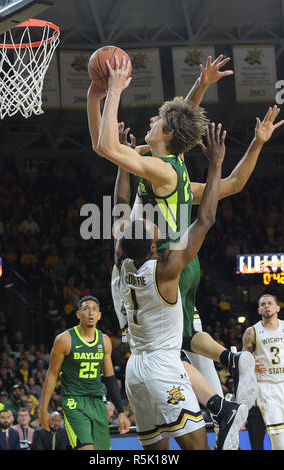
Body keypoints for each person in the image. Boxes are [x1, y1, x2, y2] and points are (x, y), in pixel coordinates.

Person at [87, 54, 283, 406]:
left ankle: (214, 403)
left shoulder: (160, 170)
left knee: (159, 348)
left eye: (156, 119)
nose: (150, 119)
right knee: (187, 336)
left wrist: (110, 91)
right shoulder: (174, 165)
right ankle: (231, 366)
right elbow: (232, 180)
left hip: (165, 264)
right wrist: (203, 87)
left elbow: (105, 146)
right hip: (185, 261)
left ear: (166, 133)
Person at [111, 121, 248, 450]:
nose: (151, 223)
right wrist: (215, 164)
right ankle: (221, 404)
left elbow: (119, 203)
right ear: (154, 246)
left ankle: (221, 405)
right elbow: (206, 219)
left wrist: (124, 161)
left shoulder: (121, 265)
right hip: (164, 369)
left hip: (134, 370)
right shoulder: (167, 271)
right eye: (151, 228)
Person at [39, 296, 130, 450]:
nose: (90, 313)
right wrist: (43, 409)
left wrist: (121, 411)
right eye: (86, 309)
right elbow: (52, 374)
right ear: (78, 314)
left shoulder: (105, 340)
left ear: (99, 315)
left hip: (98, 402)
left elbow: (109, 377)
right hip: (74, 402)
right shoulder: (64, 340)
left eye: (94, 309)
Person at [242, 294, 284, 450]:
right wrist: (251, 365)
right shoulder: (251, 332)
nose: (267, 306)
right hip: (267, 388)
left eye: (270, 303)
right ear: (259, 310)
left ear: (277, 307)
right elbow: (243, 361)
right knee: (279, 442)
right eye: (263, 304)